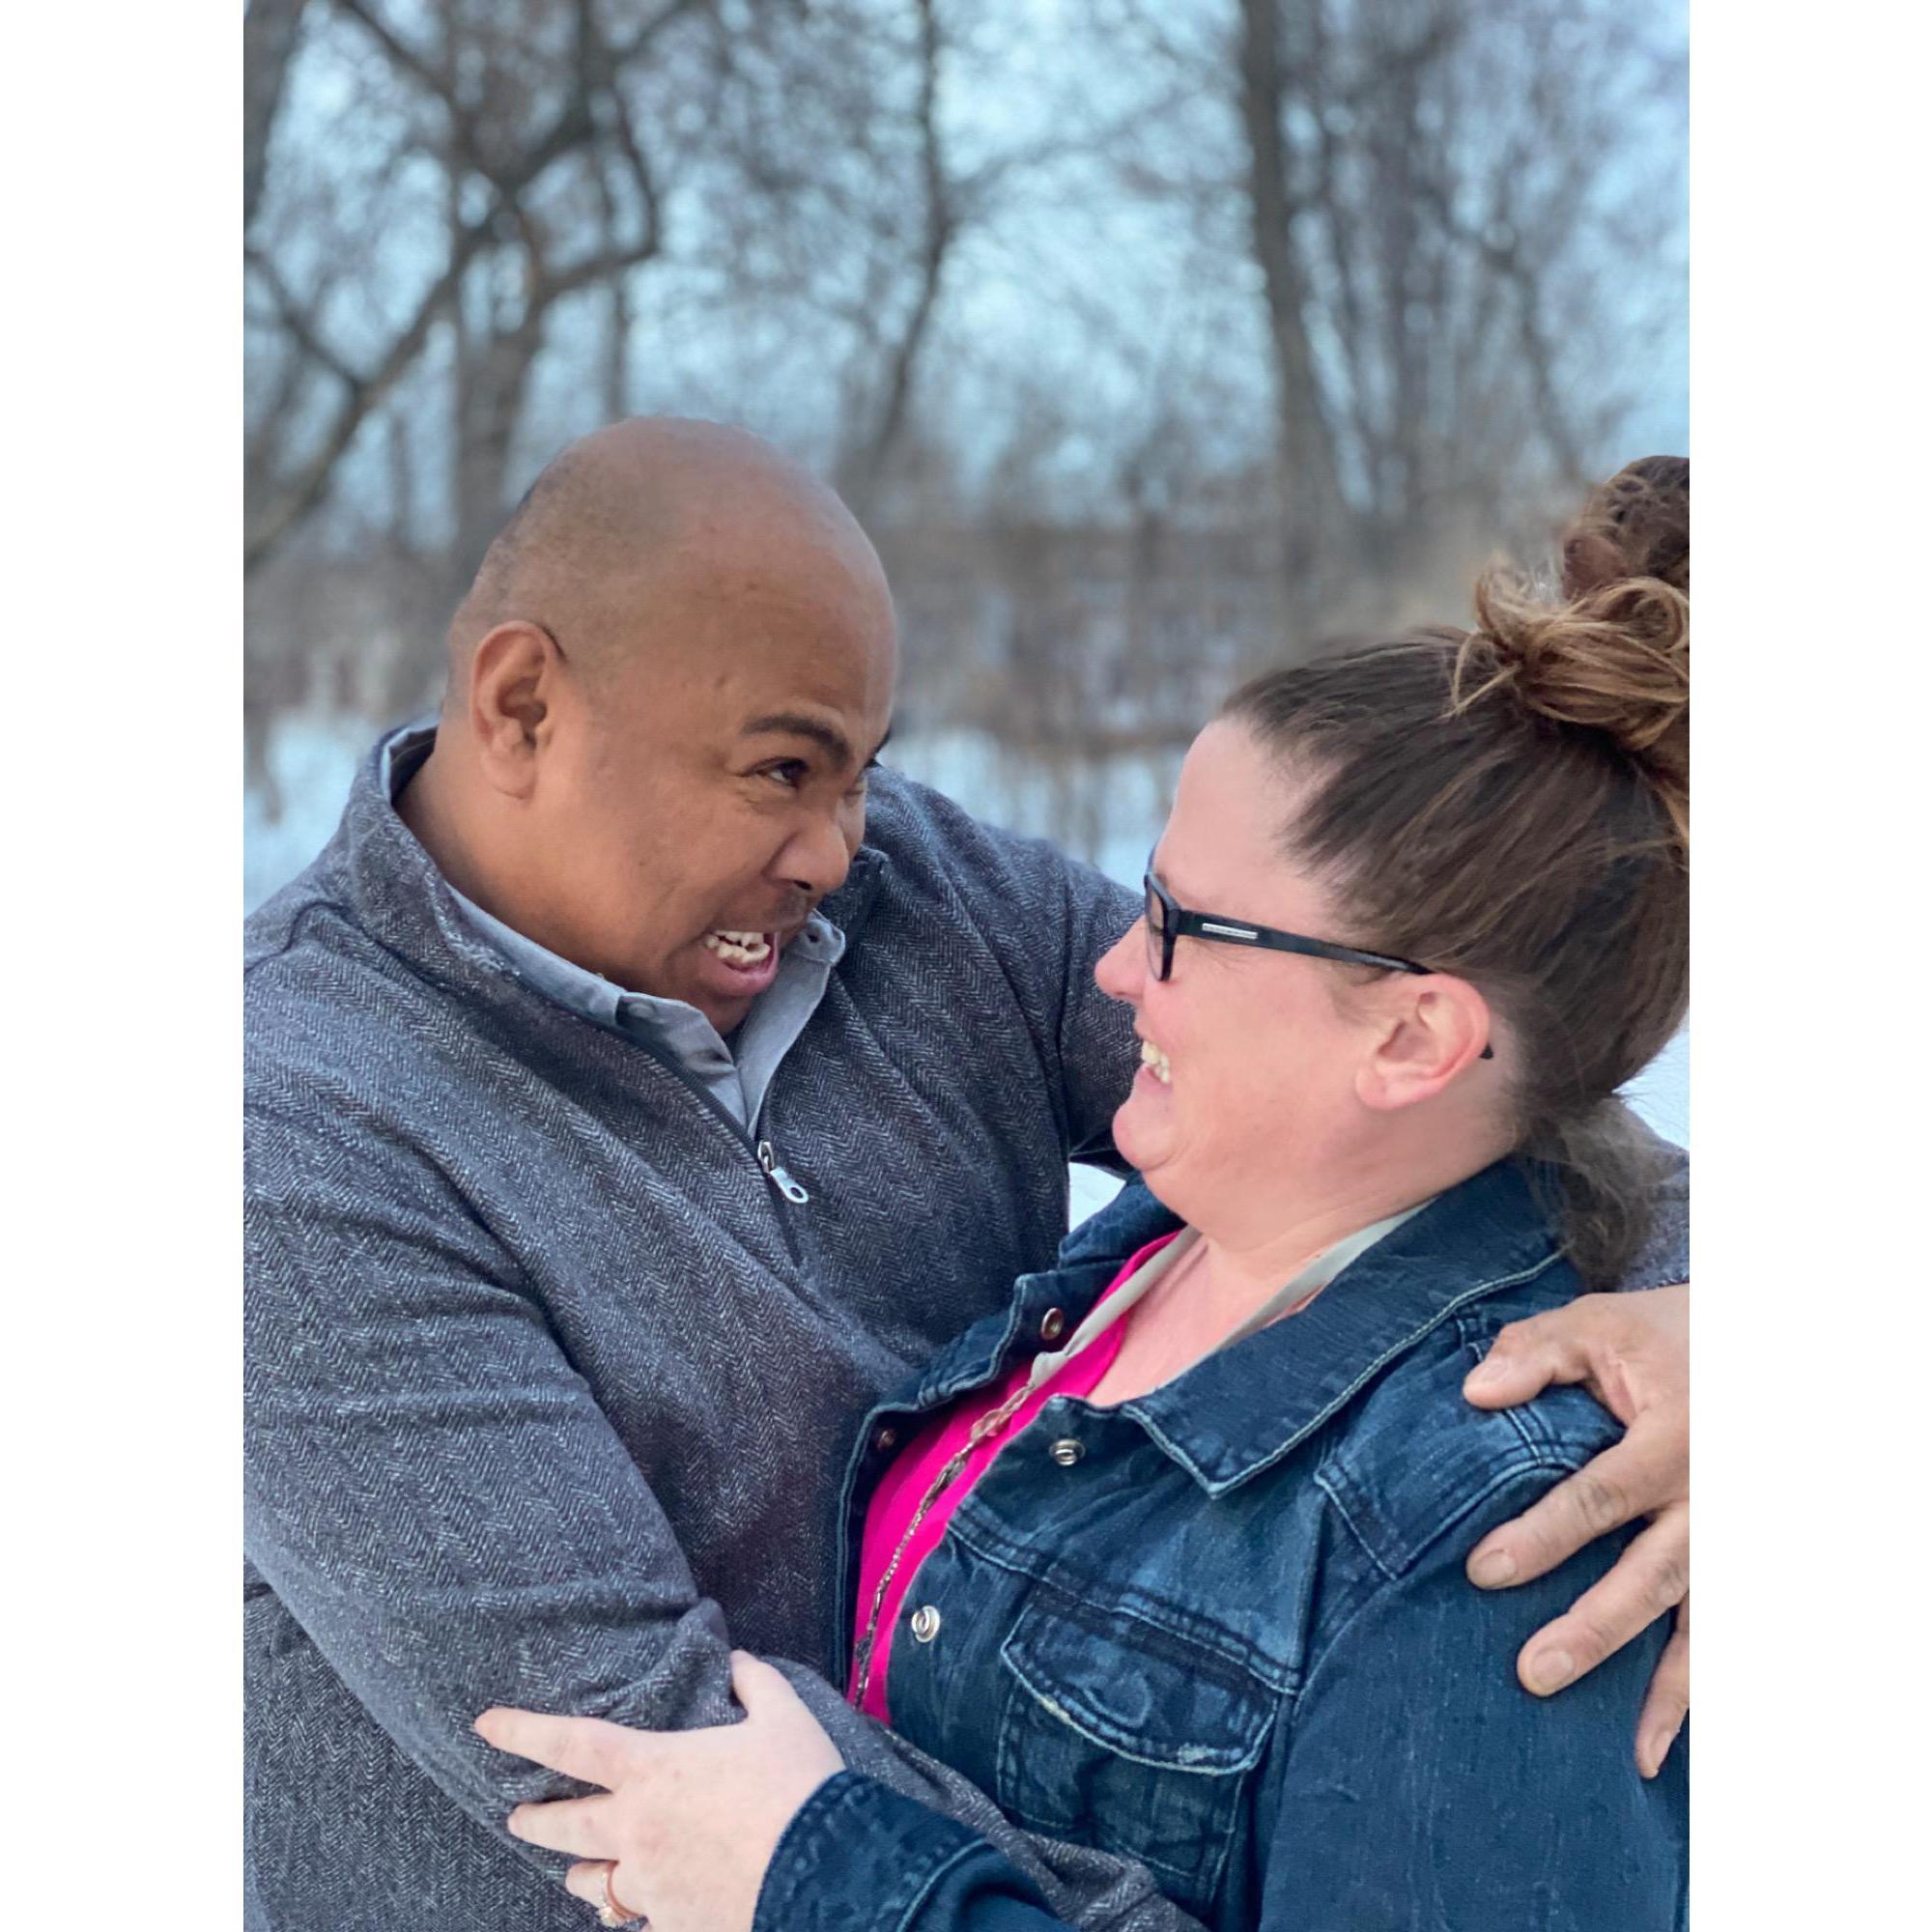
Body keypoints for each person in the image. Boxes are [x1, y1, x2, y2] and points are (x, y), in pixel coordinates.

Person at [244, 421, 1690, 1931]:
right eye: (782, 769)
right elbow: (648, 1767)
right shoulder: (290, 1129)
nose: (837, 845)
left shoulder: (916, 898)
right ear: (523, 707)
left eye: (864, 770)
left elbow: (1403, 1094)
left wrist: (1705, 1315)